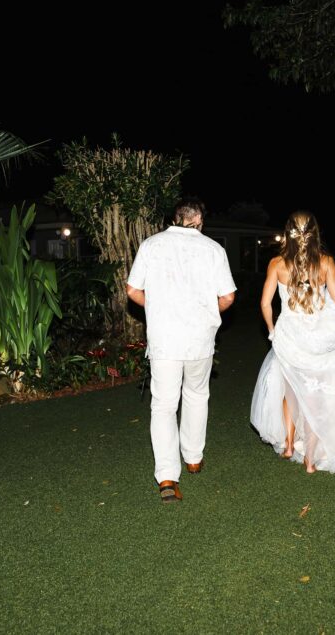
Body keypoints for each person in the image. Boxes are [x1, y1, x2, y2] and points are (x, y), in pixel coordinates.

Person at [250, 210, 335, 474]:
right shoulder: (325, 262)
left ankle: (289, 444)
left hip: (289, 335)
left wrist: (271, 330)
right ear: (315, 232)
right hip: (320, 336)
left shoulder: (276, 263)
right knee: (314, 397)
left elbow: (265, 303)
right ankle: (311, 460)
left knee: (290, 388)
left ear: (289, 232)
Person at [126, 198, 237, 503]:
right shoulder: (213, 249)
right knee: (197, 394)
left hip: (164, 338)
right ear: (199, 220)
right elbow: (228, 297)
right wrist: (205, 313)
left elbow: (132, 290)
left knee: (163, 405)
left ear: (176, 218)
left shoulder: (151, 245)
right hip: (199, 338)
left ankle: (166, 477)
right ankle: (193, 458)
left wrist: (158, 308)